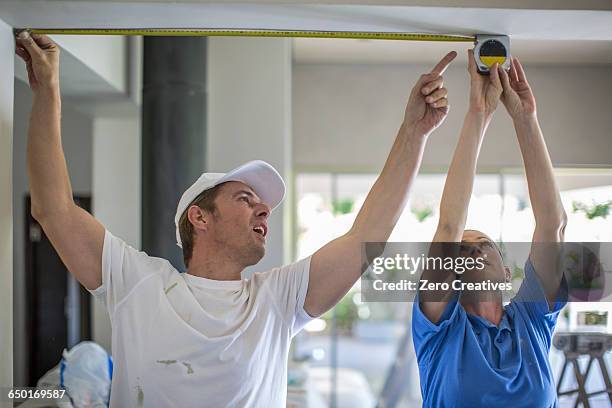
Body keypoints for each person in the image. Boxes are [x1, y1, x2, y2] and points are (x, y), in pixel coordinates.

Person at [15, 30, 457, 407]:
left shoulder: (277, 300)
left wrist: (414, 133)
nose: (264, 209)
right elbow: (53, 209)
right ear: (199, 218)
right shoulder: (138, 283)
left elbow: (368, 235)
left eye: (263, 204)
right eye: (246, 198)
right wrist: (47, 90)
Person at [413, 50, 568, 407]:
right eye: (462, 249)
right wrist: (478, 114)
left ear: (508, 272)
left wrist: (526, 119)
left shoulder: (530, 322)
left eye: (483, 244)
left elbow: (552, 223)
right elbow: (450, 225)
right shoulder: (440, 332)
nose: (472, 249)